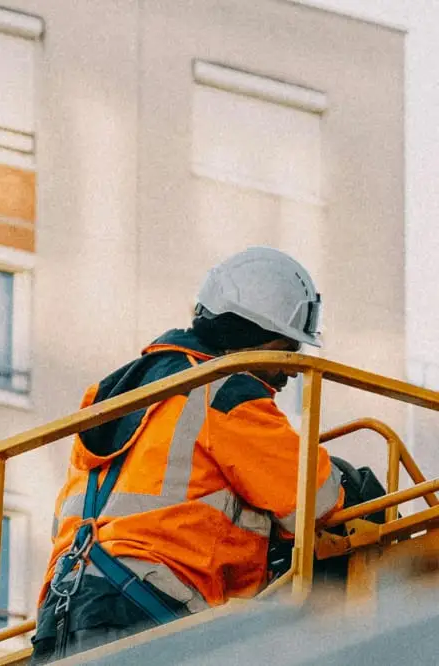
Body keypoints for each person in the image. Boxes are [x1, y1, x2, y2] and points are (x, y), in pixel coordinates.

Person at [29, 247, 344, 664]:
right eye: (284, 348)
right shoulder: (224, 392)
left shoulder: (114, 398)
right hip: (150, 613)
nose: (290, 369)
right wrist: (358, 486)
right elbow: (317, 500)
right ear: (249, 335)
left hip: (61, 620)